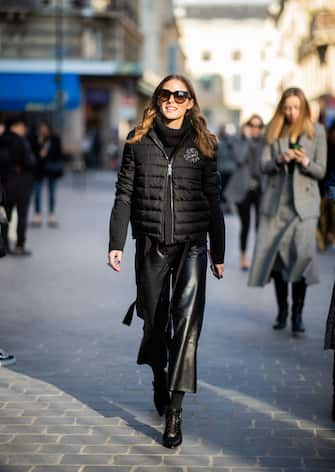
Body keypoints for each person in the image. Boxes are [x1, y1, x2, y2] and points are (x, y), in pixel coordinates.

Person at [108, 74, 225, 448]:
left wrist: (217, 251)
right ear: (156, 99)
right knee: (155, 324)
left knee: (186, 325)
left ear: (190, 101)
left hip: (193, 243)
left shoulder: (205, 144)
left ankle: (174, 413)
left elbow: (214, 201)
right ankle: (159, 375)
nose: (171, 100)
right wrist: (116, 242)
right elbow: (124, 193)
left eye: (180, 95)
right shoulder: (137, 142)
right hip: (151, 244)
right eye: (165, 94)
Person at [248, 87, 327, 334]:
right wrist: (280, 159)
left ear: (303, 108)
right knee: (280, 261)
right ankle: (282, 311)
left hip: (305, 207)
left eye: (296, 107)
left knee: (302, 257)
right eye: (287, 108)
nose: (292, 112)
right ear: (282, 108)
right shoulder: (273, 132)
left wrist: (305, 162)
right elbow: (262, 166)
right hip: (277, 205)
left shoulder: (317, 132)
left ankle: (297, 314)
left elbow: (321, 171)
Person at [225, 115, 265, 270]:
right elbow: (240, 158)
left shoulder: (265, 143)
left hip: (260, 189)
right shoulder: (239, 141)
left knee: (260, 225)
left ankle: (259, 258)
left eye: (258, 126)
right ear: (247, 126)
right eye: (252, 125)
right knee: (246, 225)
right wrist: (247, 139)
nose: (255, 128)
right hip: (243, 189)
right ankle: (243, 257)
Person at [1, 115, 35, 256]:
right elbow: (30, 161)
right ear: (17, 126)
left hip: (5, 184)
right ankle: (20, 245)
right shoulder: (21, 142)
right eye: (23, 127)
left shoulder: (2, 140)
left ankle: (5, 245)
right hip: (21, 183)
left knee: (5, 216)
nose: (24, 130)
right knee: (22, 216)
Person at [30, 121, 63, 227]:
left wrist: (47, 152)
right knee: (37, 193)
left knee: (51, 193)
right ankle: (37, 215)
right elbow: (33, 153)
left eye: (45, 128)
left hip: (51, 170)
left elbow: (58, 153)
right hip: (39, 170)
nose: (43, 130)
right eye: (41, 128)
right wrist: (39, 143)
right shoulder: (36, 138)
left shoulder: (55, 139)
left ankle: (51, 215)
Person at [317, 121, 335, 251]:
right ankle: (322, 239)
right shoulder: (325, 145)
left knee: (332, 213)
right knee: (322, 214)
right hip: (322, 186)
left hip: (332, 186)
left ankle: (329, 236)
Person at [216, 124, 236, 213]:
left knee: (228, 189)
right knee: (221, 188)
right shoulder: (217, 140)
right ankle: (222, 206)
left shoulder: (231, 141)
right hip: (220, 169)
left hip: (230, 170)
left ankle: (227, 206)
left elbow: (235, 154)